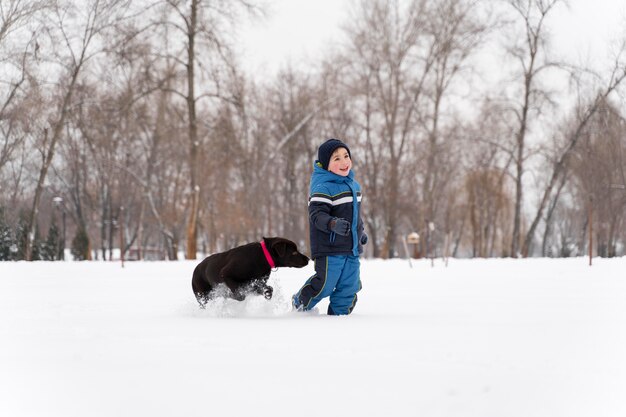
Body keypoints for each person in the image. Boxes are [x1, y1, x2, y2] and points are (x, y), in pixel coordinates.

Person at [292, 138, 367, 315]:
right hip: (329, 248)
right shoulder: (322, 187)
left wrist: (360, 232)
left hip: (351, 249)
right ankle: (299, 304)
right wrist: (332, 224)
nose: (344, 162)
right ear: (326, 164)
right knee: (325, 284)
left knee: (350, 286)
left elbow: (356, 215)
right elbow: (316, 215)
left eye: (346, 156)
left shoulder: (354, 186)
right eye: (337, 158)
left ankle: (338, 318)